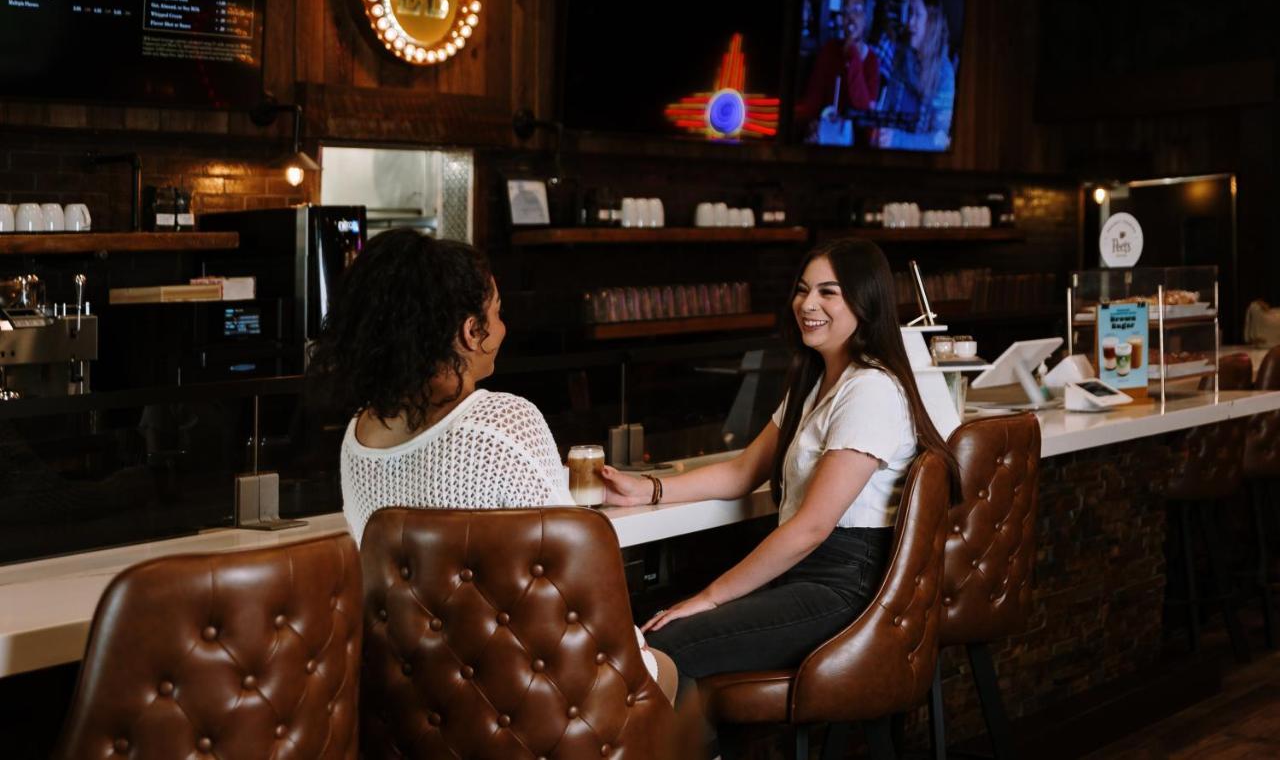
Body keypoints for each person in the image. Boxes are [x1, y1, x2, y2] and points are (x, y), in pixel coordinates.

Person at [306, 228, 677, 701]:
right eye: (497, 313)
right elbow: (572, 577)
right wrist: (641, 657)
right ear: (469, 331)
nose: (502, 328)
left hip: (419, 700)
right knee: (670, 674)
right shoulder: (500, 421)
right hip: (527, 696)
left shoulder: (358, 434)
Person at [603, 238, 954, 706]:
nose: (808, 305)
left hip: (845, 588)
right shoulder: (817, 383)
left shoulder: (870, 390)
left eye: (829, 292)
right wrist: (647, 489)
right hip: (805, 576)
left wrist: (712, 596)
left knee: (666, 645)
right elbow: (744, 471)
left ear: (865, 303)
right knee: (647, 627)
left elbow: (811, 528)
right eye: (803, 290)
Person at [795, 0, 881, 146]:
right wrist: (811, 124)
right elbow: (814, 97)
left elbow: (864, 108)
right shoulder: (830, 50)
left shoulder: (872, 61)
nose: (850, 17)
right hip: (825, 134)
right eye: (846, 11)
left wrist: (853, 56)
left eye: (856, 9)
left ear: (865, 17)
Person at [875, 0, 956, 151]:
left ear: (931, 22)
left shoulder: (945, 73)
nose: (909, 22)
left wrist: (897, 140)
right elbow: (888, 109)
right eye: (910, 13)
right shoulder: (902, 56)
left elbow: (940, 140)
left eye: (917, 15)